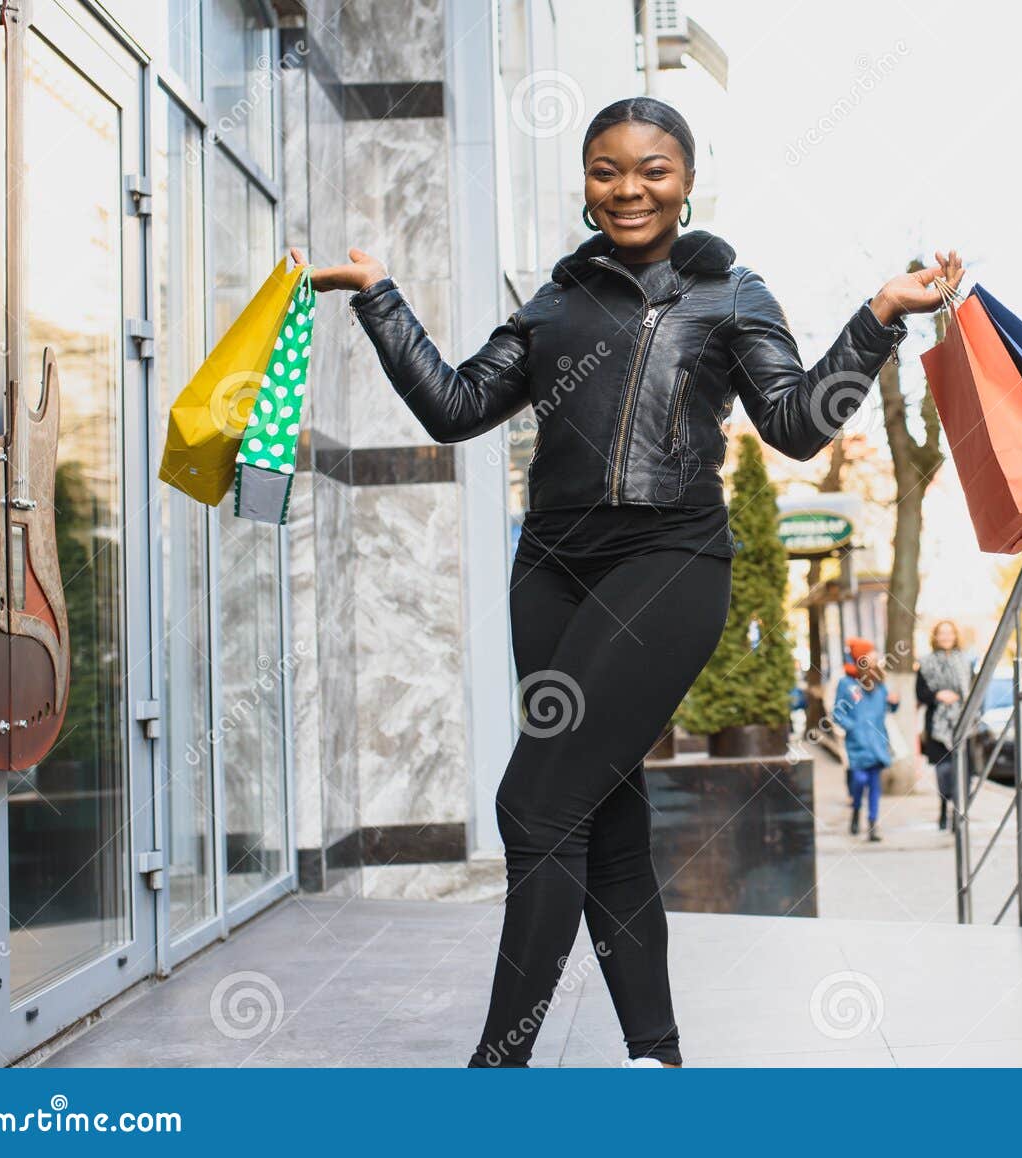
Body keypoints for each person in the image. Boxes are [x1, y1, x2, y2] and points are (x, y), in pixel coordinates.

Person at [294, 95, 964, 1069]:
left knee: (532, 805)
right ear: (584, 182)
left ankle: (499, 1068)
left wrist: (878, 318)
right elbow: (455, 406)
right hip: (553, 573)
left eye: (652, 168)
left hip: (668, 563)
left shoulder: (731, 294)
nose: (628, 188)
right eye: (606, 169)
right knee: (600, 817)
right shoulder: (556, 302)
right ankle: (655, 1057)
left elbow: (794, 425)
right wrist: (378, 295)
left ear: (686, 180)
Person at [834, 637, 900, 842]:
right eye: (870, 655)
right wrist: (852, 727)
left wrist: (895, 702)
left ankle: (872, 824)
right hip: (857, 743)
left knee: (874, 784)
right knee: (859, 780)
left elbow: (888, 706)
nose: (875, 659)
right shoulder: (846, 683)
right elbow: (837, 713)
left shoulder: (880, 682)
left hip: (878, 742)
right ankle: (856, 809)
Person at [915, 619, 975, 832]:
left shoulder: (966, 661)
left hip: (962, 723)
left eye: (950, 633)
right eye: (942, 633)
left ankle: (959, 814)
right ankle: (943, 808)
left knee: (963, 772)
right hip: (937, 726)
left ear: (955, 636)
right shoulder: (926, 663)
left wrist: (959, 699)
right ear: (936, 637)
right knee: (944, 772)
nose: (946, 637)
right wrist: (938, 695)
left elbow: (973, 692)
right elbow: (920, 693)